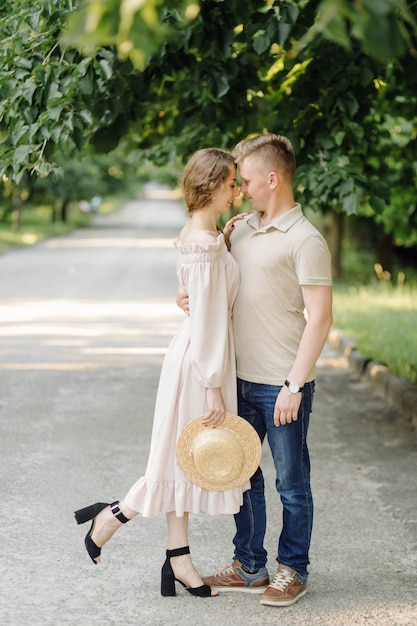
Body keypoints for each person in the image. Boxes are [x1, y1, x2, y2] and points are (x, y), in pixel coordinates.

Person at [74, 148, 243, 599]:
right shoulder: (205, 245)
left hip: (192, 355)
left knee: (181, 462)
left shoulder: (202, 236)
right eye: (231, 183)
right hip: (199, 364)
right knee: (177, 460)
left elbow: (199, 295)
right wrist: (212, 387)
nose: (237, 191)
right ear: (210, 185)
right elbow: (209, 320)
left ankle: (178, 558)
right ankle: (110, 517)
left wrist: (223, 246)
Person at [177, 133, 333, 606]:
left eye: (244, 180)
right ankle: (249, 565)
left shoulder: (307, 240)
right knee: (241, 476)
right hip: (237, 380)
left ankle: (292, 569)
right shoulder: (239, 229)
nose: (239, 189)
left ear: (272, 177)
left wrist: (294, 384)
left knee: (291, 483)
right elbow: (208, 278)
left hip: (282, 385)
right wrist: (185, 296)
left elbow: (321, 318)